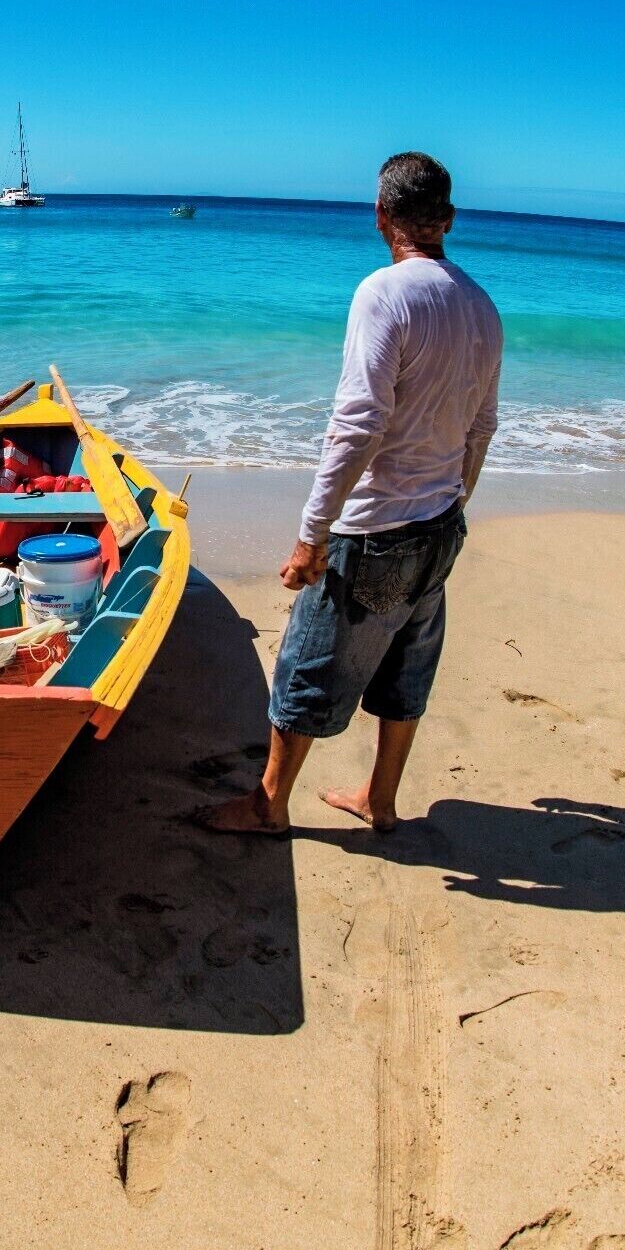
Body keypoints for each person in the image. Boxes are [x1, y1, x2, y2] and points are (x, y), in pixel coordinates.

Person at [200, 152, 502, 835]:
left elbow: (358, 424)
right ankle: (381, 800)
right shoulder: (482, 307)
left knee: (304, 669)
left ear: (381, 217)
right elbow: (482, 426)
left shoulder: (384, 294)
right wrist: (454, 502)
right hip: (440, 525)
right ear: (448, 220)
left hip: (376, 533)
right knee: (408, 666)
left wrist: (312, 535)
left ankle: (269, 805)